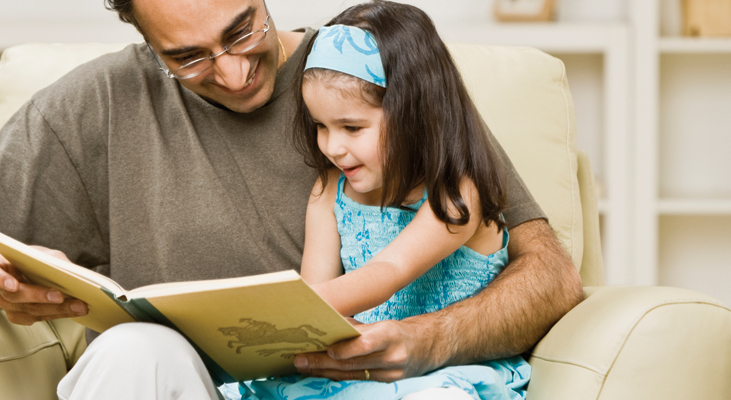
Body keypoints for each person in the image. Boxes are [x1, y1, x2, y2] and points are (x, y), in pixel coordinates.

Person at [0, 0, 582, 398]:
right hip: (217, 386)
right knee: (135, 349)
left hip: (377, 379)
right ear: (144, 38)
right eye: (189, 57)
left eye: (241, 30)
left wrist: (431, 339)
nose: (231, 74)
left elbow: (551, 275)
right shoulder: (88, 107)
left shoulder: (373, 76)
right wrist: (18, 282)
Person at [218, 4, 536, 399]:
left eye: (352, 127)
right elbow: (315, 289)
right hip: (362, 373)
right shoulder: (328, 191)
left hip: (442, 374)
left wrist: (278, 310)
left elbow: (389, 270)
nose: (333, 147)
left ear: (416, 115)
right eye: (320, 126)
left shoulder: (455, 194)